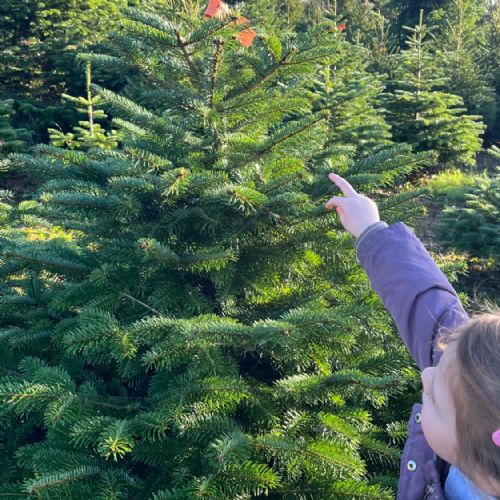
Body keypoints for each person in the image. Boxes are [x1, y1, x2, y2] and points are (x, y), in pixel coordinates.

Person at [325, 173, 500, 500]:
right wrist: (372, 231)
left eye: (432, 397)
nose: (426, 375)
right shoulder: (470, 379)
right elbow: (432, 311)